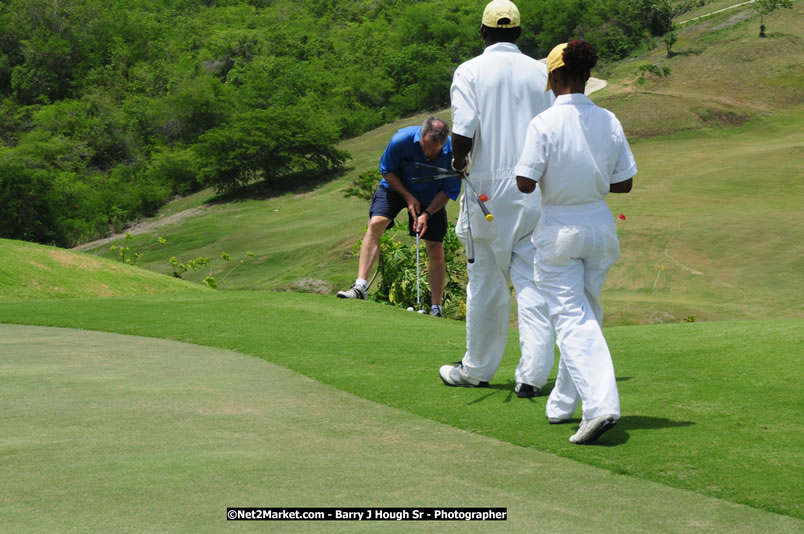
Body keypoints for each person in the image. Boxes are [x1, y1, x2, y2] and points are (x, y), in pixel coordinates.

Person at [514, 39, 637, 444]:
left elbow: (525, 181)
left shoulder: (544, 122)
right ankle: (563, 403)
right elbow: (624, 183)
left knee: (571, 319)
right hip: (600, 225)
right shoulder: (609, 119)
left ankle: (600, 406)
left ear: (553, 77)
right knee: (587, 313)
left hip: (560, 227)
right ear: (586, 77)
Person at [438, 0, 556, 397]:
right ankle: (533, 376)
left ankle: (477, 369)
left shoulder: (469, 70)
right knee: (534, 283)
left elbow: (465, 127)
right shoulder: (541, 71)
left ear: (484, 32)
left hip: (488, 189)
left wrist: (458, 161)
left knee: (486, 282)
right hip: (534, 188)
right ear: (518, 33)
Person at [337, 117, 461, 317]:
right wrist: (408, 197)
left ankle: (436, 308)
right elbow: (387, 170)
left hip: (432, 195)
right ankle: (360, 287)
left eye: (434, 150)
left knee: (435, 246)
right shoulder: (401, 140)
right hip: (396, 188)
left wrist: (427, 214)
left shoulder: (455, 154)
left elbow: (449, 190)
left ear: (443, 143)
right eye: (426, 148)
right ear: (421, 137)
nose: (429, 154)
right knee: (377, 223)